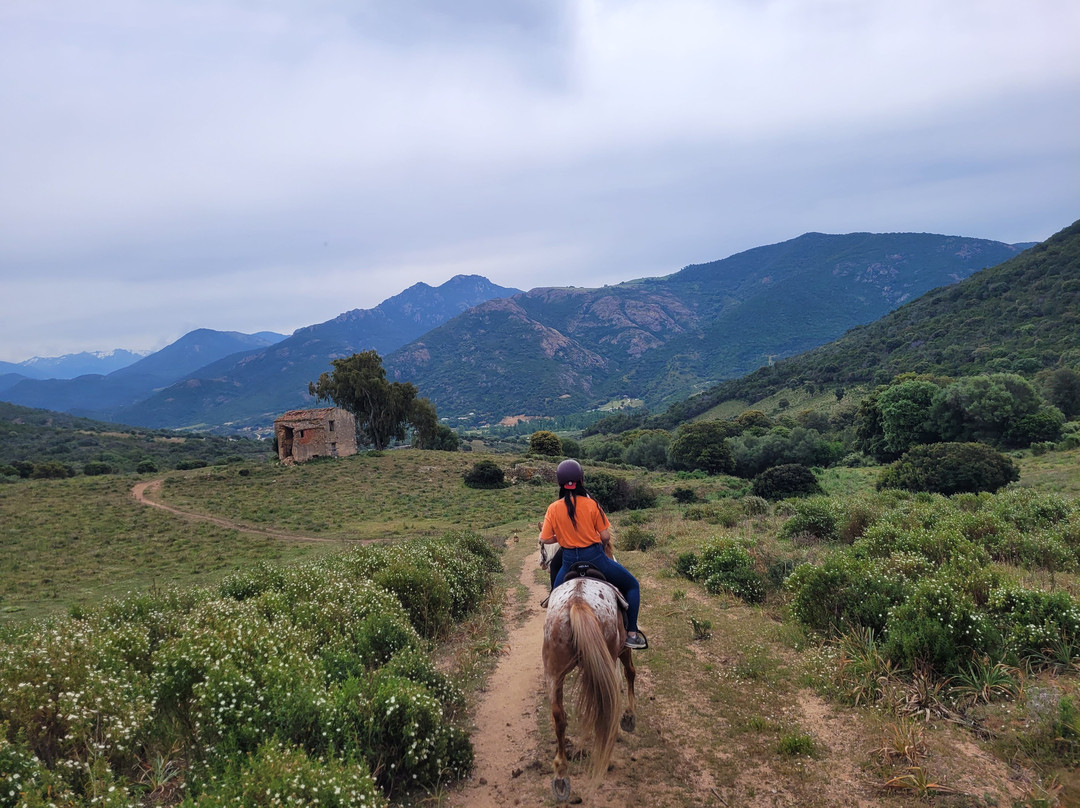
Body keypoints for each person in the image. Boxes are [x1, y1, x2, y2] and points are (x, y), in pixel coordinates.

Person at [539, 459, 647, 650]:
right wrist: (596, 541)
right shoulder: (592, 505)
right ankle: (631, 634)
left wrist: (563, 538)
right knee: (632, 585)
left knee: (553, 598)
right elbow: (605, 536)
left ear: (559, 483)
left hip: (569, 562)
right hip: (596, 559)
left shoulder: (553, 508)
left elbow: (545, 539)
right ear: (581, 480)